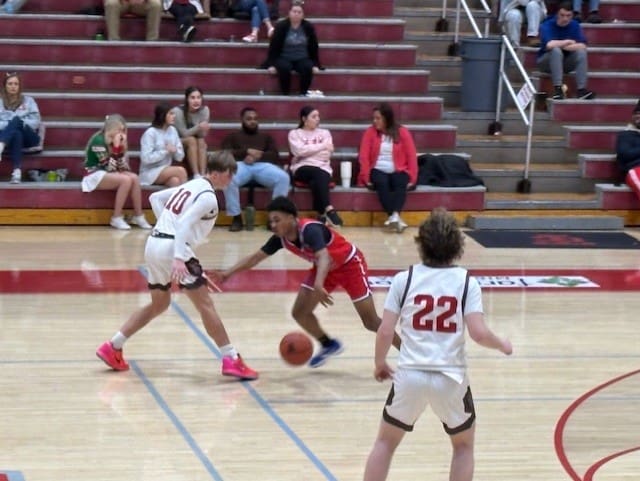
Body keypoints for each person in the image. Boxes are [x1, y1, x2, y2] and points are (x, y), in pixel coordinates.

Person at [362, 207, 513, 481]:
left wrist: (380, 363)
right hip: (450, 378)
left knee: (385, 443)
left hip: (410, 375)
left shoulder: (404, 279)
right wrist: (502, 344)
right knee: (463, 447)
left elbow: (385, 331)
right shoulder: (466, 282)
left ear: (421, 243)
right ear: (457, 246)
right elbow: (479, 334)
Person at [96, 150, 259, 381]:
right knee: (206, 305)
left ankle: (113, 346)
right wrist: (179, 257)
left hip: (154, 244)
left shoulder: (191, 185)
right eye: (228, 174)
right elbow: (183, 223)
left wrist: (166, 229)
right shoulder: (208, 197)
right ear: (215, 174)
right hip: (172, 249)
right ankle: (231, 359)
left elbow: (155, 199)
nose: (231, 179)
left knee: (159, 304)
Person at [211, 196, 402, 368]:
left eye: (277, 220)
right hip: (324, 269)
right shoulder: (280, 239)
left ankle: (408, 352)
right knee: (299, 312)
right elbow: (255, 258)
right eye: (271, 221)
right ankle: (328, 344)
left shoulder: (310, 230)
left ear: (291, 218)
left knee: (370, 321)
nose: (273, 225)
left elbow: (324, 256)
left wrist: (318, 285)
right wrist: (227, 273)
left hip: (349, 264)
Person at [221, 106, 290, 232]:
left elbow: (275, 155)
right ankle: (236, 217)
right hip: (240, 164)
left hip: (262, 165)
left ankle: (274, 217)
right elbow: (225, 153)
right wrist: (246, 152)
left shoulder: (266, 136)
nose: (252, 121)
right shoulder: (233, 136)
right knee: (228, 178)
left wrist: (258, 156)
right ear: (242, 120)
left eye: (255, 119)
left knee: (283, 178)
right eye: (249, 119)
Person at [82, 113, 153, 230]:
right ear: (111, 129)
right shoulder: (98, 140)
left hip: (107, 171)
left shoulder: (117, 140)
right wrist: (116, 148)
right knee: (125, 180)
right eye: (119, 130)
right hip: (93, 174)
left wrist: (122, 149)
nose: (122, 133)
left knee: (134, 178)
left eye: (123, 130)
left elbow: (122, 167)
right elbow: (109, 167)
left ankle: (139, 215)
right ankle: (116, 217)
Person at [357, 103, 418, 234]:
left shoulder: (402, 132)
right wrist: (366, 177)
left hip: (399, 169)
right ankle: (394, 216)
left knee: (400, 182)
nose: (375, 121)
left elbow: (411, 155)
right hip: (377, 168)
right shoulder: (370, 132)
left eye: (378, 118)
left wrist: (413, 178)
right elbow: (364, 156)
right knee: (381, 183)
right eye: (374, 118)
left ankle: (394, 216)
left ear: (387, 118)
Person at [288, 105, 343, 226]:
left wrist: (308, 152)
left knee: (317, 179)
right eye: (313, 116)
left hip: (323, 167)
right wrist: (322, 146)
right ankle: (329, 209)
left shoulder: (325, 133)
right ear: (304, 119)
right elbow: (298, 151)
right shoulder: (295, 133)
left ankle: (321, 214)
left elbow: (326, 155)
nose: (317, 119)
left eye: (318, 116)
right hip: (302, 167)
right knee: (318, 173)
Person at [260, 0, 323, 96]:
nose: (296, 14)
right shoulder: (281, 26)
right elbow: (274, 47)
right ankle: (285, 93)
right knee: (284, 68)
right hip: (284, 57)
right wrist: (272, 64)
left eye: (299, 12)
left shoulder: (308, 27)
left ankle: (303, 92)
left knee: (307, 67)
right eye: (294, 11)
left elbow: (314, 46)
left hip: (302, 57)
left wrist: (315, 64)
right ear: (289, 13)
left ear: (303, 15)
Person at [536, 1, 595, 101]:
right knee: (556, 51)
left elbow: (582, 45)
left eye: (568, 16)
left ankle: (581, 90)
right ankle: (558, 89)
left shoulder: (574, 25)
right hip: (546, 62)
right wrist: (567, 42)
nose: (565, 19)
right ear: (557, 14)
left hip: (565, 61)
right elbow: (549, 45)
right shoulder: (547, 25)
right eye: (562, 15)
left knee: (581, 53)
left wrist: (561, 45)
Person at [0, 72, 42, 184]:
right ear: (5, 86)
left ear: (19, 86)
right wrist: (11, 124)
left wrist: (19, 122)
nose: (13, 86)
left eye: (16, 84)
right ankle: (17, 171)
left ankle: (1, 145)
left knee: (17, 121)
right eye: (10, 84)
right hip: (9, 135)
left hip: (29, 136)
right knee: (16, 134)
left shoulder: (29, 101)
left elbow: (36, 122)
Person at [139, 101, 188, 187]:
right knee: (181, 171)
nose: (174, 116)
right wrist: (165, 151)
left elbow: (180, 157)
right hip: (149, 172)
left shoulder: (173, 130)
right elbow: (145, 158)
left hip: (165, 169)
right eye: (171, 114)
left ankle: (176, 196)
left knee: (175, 181)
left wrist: (175, 151)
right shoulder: (150, 133)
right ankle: (190, 195)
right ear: (163, 115)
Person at [171, 86, 210, 179]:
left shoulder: (205, 110)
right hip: (178, 140)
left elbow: (201, 135)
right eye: (192, 98)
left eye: (198, 97)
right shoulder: (177, 111)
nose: (196, 101)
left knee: (201, 141)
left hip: (195, 141)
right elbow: (183, 133)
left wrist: (204, 130)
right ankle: (196, 174)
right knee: (191, 140)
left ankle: (203, 174)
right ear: (187, 99)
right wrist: (199, 127)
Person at [615, 99, 640, 200]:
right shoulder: (626, 135)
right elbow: (624, 155)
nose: (638, 116)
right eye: (636, 113)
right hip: (635, 169)